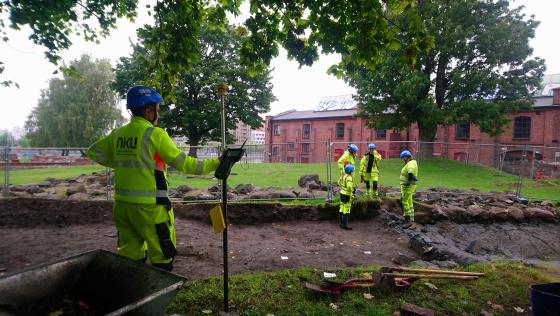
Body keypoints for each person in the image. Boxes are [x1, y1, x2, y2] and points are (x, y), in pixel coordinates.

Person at [87, 85, 221, 271]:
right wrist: (217, 163)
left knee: (130, 258)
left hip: (123, 207)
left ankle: (133, 296)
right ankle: (157, 295)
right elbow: (187, 164)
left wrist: (121, 162)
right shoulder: (154, 134)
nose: (158, 113)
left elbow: (94, 152)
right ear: (148, 109)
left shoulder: (118, 134)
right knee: (162, 259)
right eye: (157, 108)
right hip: (151, 209)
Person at [399, 150, 419, 229]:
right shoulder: (412, 163)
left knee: (404, 201)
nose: (402, 159)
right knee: (409, 202)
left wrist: (408, 182)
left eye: (403, 158)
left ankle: (408, 221)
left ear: (406, 157)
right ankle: (411, 219)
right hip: (408, 186)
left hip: (408, 186)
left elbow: (410, 172)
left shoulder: (411, 163)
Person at [338, 164, 356, 230]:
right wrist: (352, 193)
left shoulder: (343, 175)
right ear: (350, 171)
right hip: (347, 195)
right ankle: (345, 225)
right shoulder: (349, 177)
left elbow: (339, 182)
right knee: (346, 210)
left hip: (342, 193)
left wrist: (343, 187)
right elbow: (349, 187)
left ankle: (340, 224)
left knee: (341, 208)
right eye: (352, 170)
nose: (353, 171)